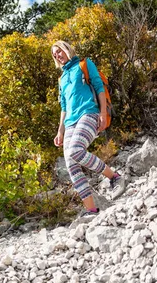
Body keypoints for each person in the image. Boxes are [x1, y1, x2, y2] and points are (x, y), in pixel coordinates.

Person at [51, 40, 125, 218]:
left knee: (76, 151)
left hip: (89, 114)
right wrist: (60, 130)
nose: (58, 56)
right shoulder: (61, 79)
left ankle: (114, 177)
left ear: (66, 48)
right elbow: (64, 107)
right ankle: (91, 210)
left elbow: (99, 88)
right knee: (71, 164)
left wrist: (103, 113)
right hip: (69, 122)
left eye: (59, 51)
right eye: (54, 55)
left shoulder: (84, 64)